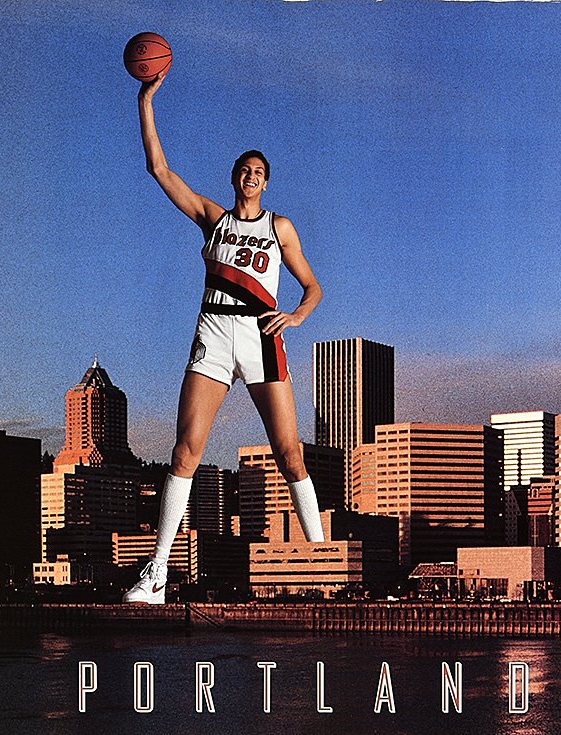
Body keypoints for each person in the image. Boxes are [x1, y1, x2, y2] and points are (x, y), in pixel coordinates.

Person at [124, 69, 325, 605]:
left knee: (290, 454)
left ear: (266, 182)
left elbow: (313, 286)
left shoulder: (280, 228)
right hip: (213, 330)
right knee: (185, 451)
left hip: (262, 334)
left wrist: (299, 316)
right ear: (235, 177)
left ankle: (324, 566)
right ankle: (157, 575)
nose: (252, 177)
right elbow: (159, 169)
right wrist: (146, 100)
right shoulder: (213, 220)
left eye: (260, 172)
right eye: (245, 170)